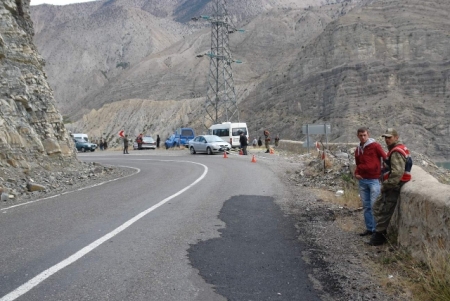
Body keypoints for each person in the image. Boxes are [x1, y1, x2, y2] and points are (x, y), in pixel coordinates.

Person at [368, 128, 413, 246]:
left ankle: (379, 236)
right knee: (379, 208)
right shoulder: (398, 149)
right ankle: (379, 234)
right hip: (395, 185)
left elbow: (397, 173)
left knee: (382, 209)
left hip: (394, 187)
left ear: (396, 137)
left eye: (389, 137)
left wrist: (386, 185)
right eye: (385, 137)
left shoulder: (396, 151)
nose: (387, 140)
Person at [354, 127, 386, 237]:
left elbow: (385, 157)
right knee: (366, 206)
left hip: (374, 180)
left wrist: (384, 172)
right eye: (360, 135)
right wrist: (356, 173)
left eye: (364, 135)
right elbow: (358, 164)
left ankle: (376, 231)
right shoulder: (358, 149)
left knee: (374, 205)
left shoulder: (375, 146)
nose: (363, 137)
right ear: (358, 136)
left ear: (368, 135)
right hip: (362, 180)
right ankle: (369, 229)